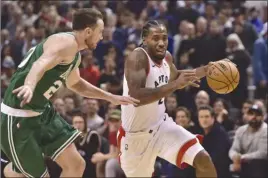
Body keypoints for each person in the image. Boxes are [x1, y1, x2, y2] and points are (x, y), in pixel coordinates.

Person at [0, 8, 139, 178]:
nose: (102, 36)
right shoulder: (65, 43)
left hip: (42, 112)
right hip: (18, 116)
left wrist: (110, 97)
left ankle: (16, 169)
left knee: (76, 165)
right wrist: (29, 85)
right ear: (88, 31)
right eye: (100, 32)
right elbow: (41, 64)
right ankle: (10, 170)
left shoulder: (75, 55)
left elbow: (76, 84)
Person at [119, 20, 221, 177]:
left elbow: (177, 77)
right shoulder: (137, 58)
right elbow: (136, 97)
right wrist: (175, 85)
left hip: (161, 126)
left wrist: (207, 70)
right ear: (145, 39)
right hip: (136, 137)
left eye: (164, 38)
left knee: (203, 159)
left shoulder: (166, 58)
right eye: (156, 38)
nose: (161, 43)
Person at [229, 104, 267, 178]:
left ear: (263, 117)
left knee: (257, 163)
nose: (254, 117)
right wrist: (234, 157)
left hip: (261, 168)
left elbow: (262, 153)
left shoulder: (266, 130)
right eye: (251, 114)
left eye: (257, 115)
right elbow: (233, 149)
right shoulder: (241, 130)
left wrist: (240, 158)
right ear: (246, 116)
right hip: (242, 165)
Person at [198, 105, 232, 178]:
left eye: (207, 116)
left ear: (213, 118)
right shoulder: (200, 132)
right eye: (201, 117)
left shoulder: (220, 132)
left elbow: (217, 156)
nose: (204, 120)